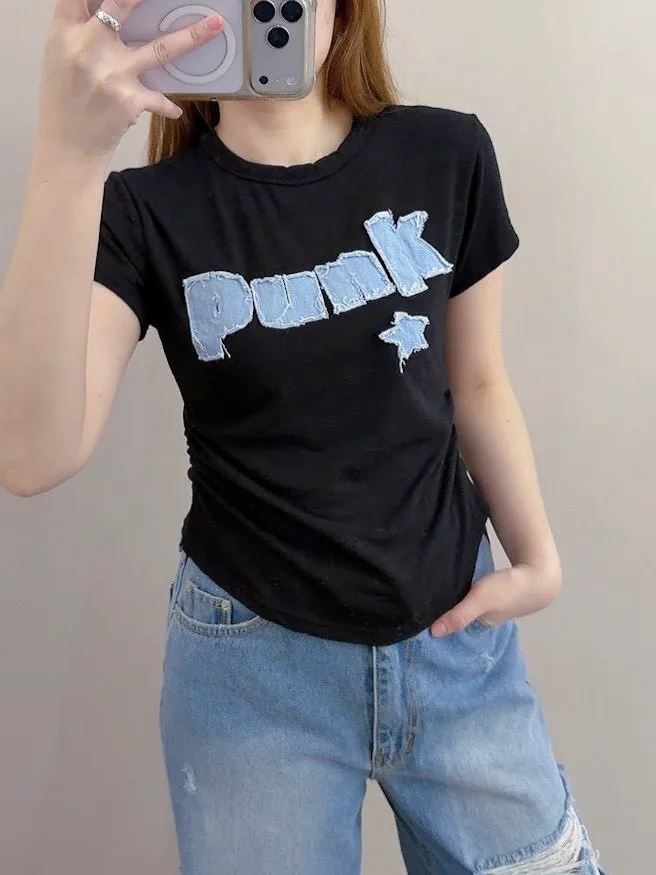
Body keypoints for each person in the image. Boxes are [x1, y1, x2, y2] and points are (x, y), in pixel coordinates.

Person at [0, 0, 607, 872]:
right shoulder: (139, 210)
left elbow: (477, 383)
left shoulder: (446, 153)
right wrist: (68, 155)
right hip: (253, 668)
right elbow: (30, 455)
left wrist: (537, 558)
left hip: (455, 639)